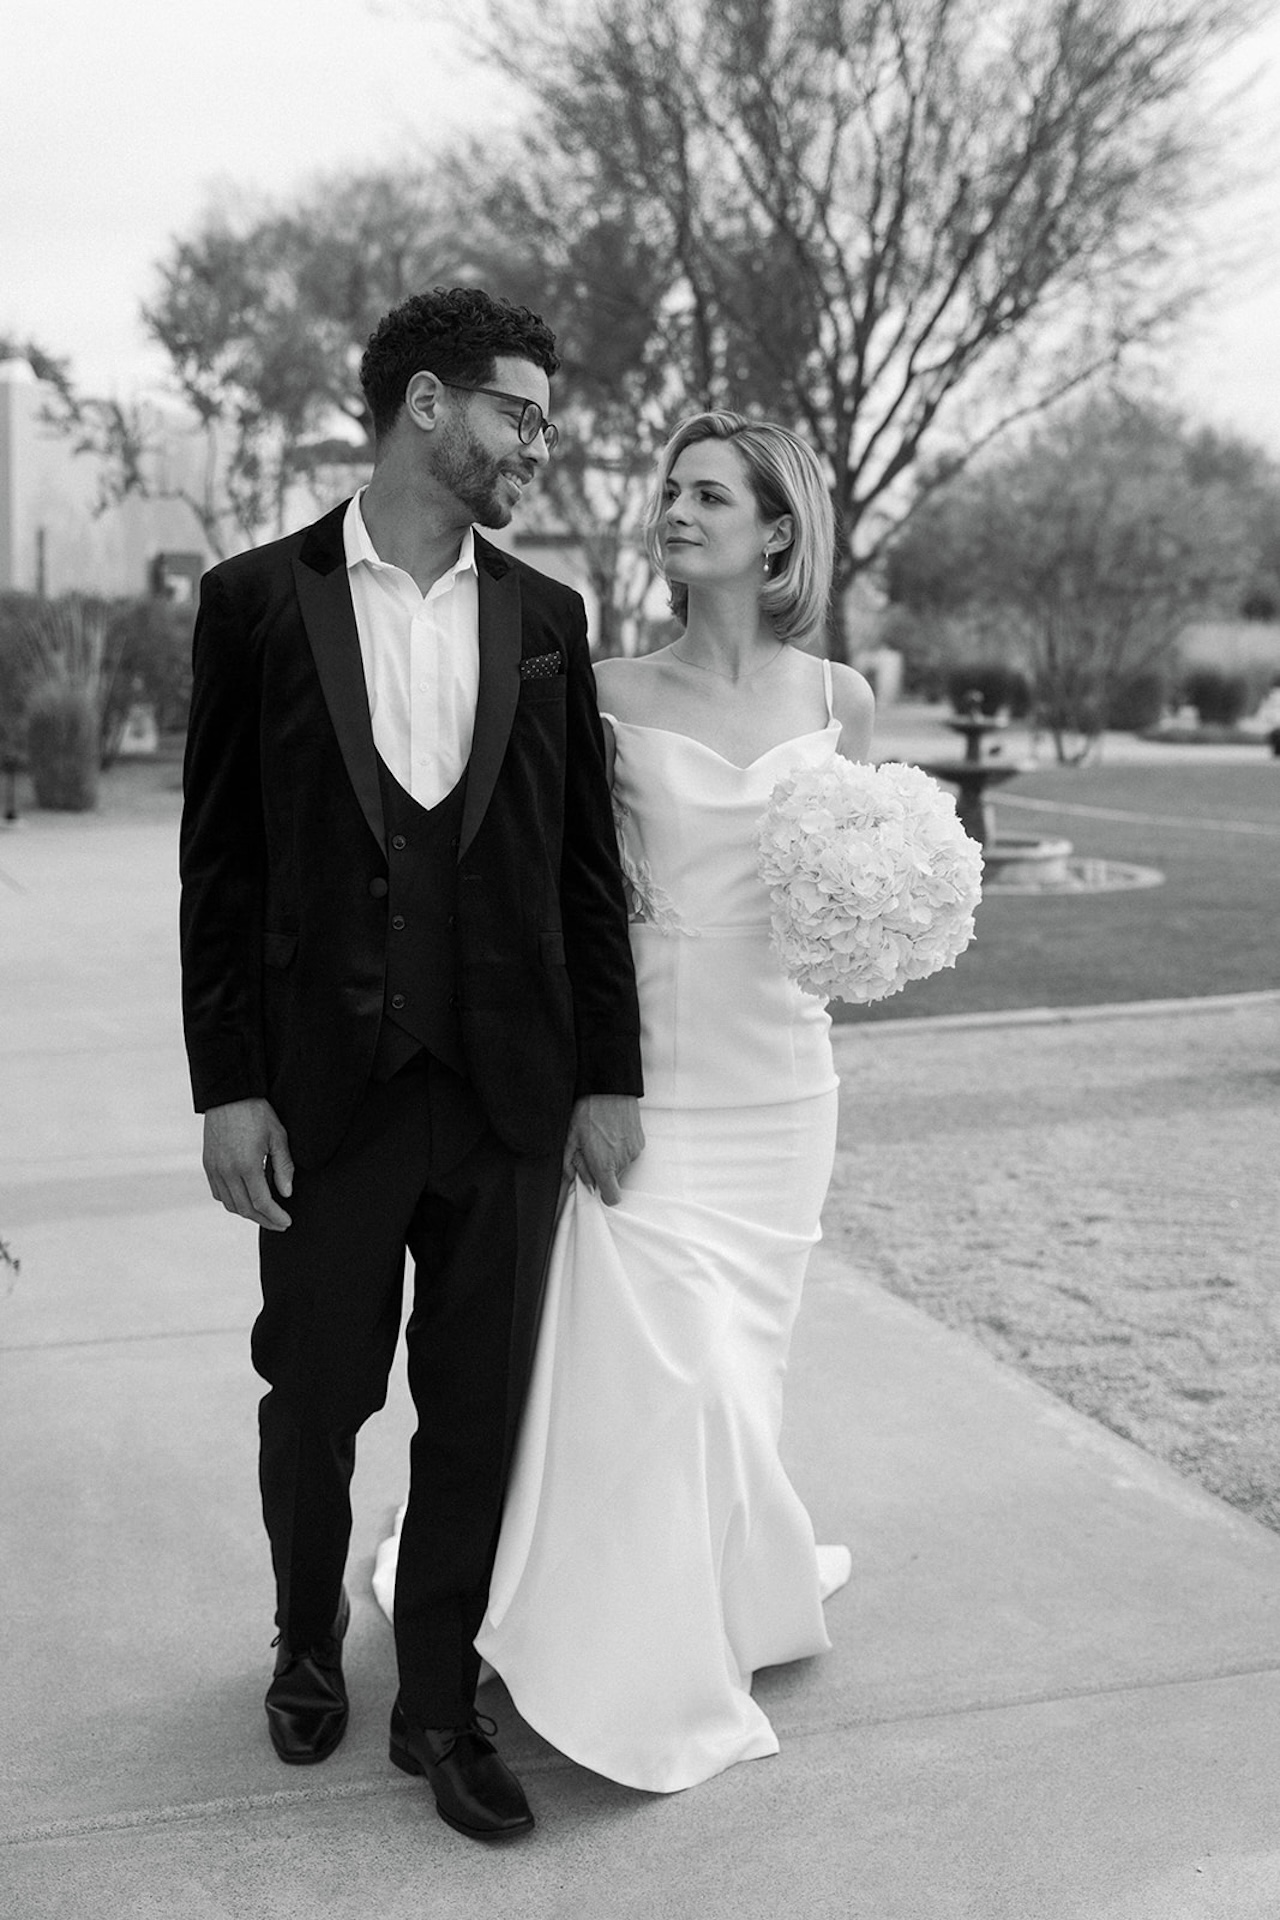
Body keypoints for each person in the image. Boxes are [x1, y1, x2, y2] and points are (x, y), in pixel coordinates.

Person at [178, 286, 644, 1842]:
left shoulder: (546, 620)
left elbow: (583, 870)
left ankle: (438, 1701)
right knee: (314, 1393)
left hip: (511, 1088)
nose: (539, 443)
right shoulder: (257, 601)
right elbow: (221, 870)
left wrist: (610, 1077)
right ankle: (307, 1635)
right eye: (520, 412)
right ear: (428, 405)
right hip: (326, 1087)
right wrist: (227, 1086)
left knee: (477, 1407)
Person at [375, 410, 875, 1790]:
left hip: (785, 1088)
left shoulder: (842, 700)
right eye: (672, 491)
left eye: (710, 495)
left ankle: (724, 1597)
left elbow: (855, 878)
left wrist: (880, 929)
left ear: (778, 532)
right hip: (645, 1088)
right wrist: (591, 1072)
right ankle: (625, 1656)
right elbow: (558, 895)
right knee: (669, 1370)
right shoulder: (601, 689)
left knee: (741, 1376)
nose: (677, 512)